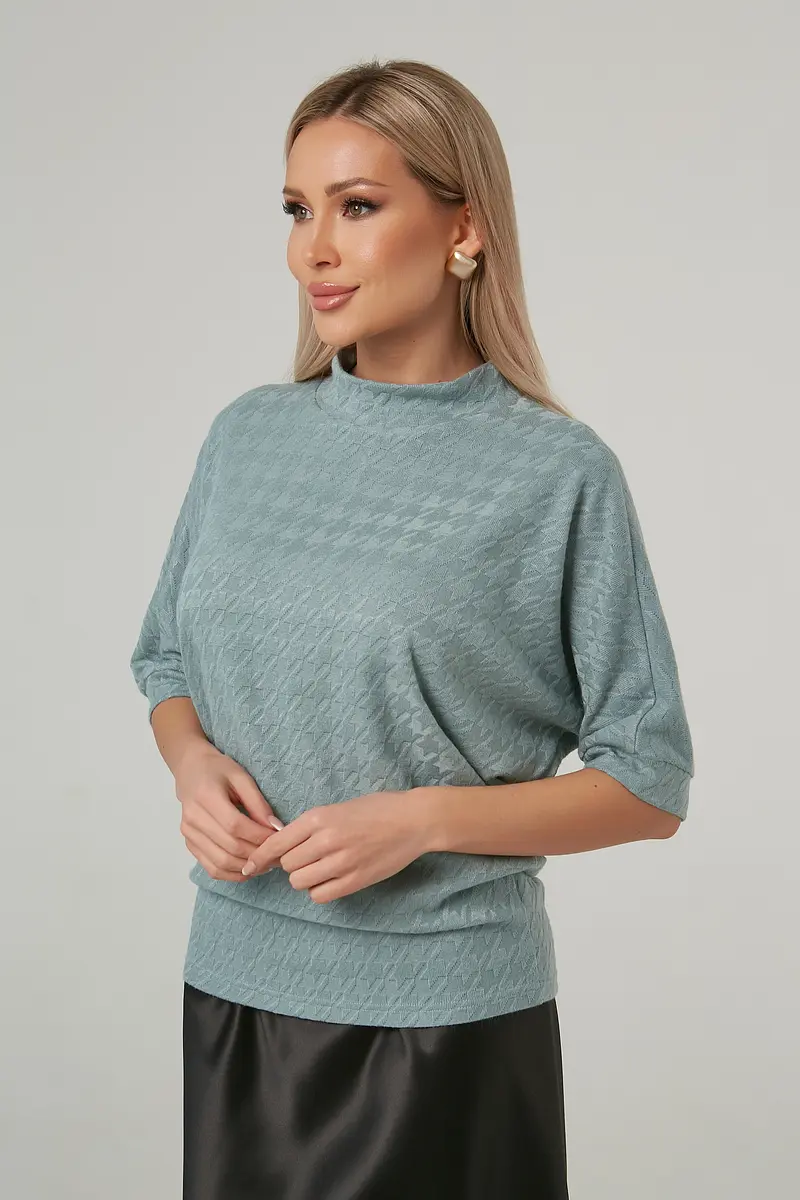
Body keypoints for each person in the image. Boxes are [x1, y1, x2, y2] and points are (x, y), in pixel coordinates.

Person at [129, 57, 694, 1200]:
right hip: (234, 987)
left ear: (462, 229)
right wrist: (190, 764)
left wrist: (423, 820)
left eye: (356, 206)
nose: (313, 249)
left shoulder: (555, 474)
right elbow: (166, 660)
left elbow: (649, 780)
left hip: (439, 1026)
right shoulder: (246, 437)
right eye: (296, 210)